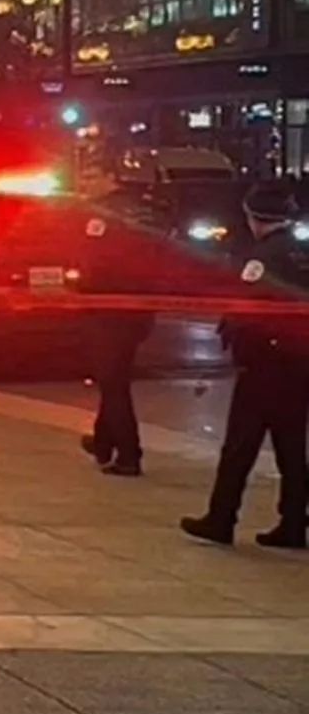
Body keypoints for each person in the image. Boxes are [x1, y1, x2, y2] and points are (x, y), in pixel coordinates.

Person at [181, 183, 309, 549]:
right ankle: (293, 522)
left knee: (239, 445)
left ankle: (221, 518)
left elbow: (248, 306)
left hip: (265, 363)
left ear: (254, 217)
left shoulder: (262, 256)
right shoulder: (302, 252)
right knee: (291, 446)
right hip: (298, 362)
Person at [75, 157, 163, 477]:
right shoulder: (141, 208)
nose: (85, 184)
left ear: (110, 177)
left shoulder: (102, 213)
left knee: (112, 381)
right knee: (113, 375)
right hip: (138, 308)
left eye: (91, 176)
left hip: (110, 309)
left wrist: (80, 288)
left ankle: (128, 453)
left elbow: (95, 263)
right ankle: (103, 440)